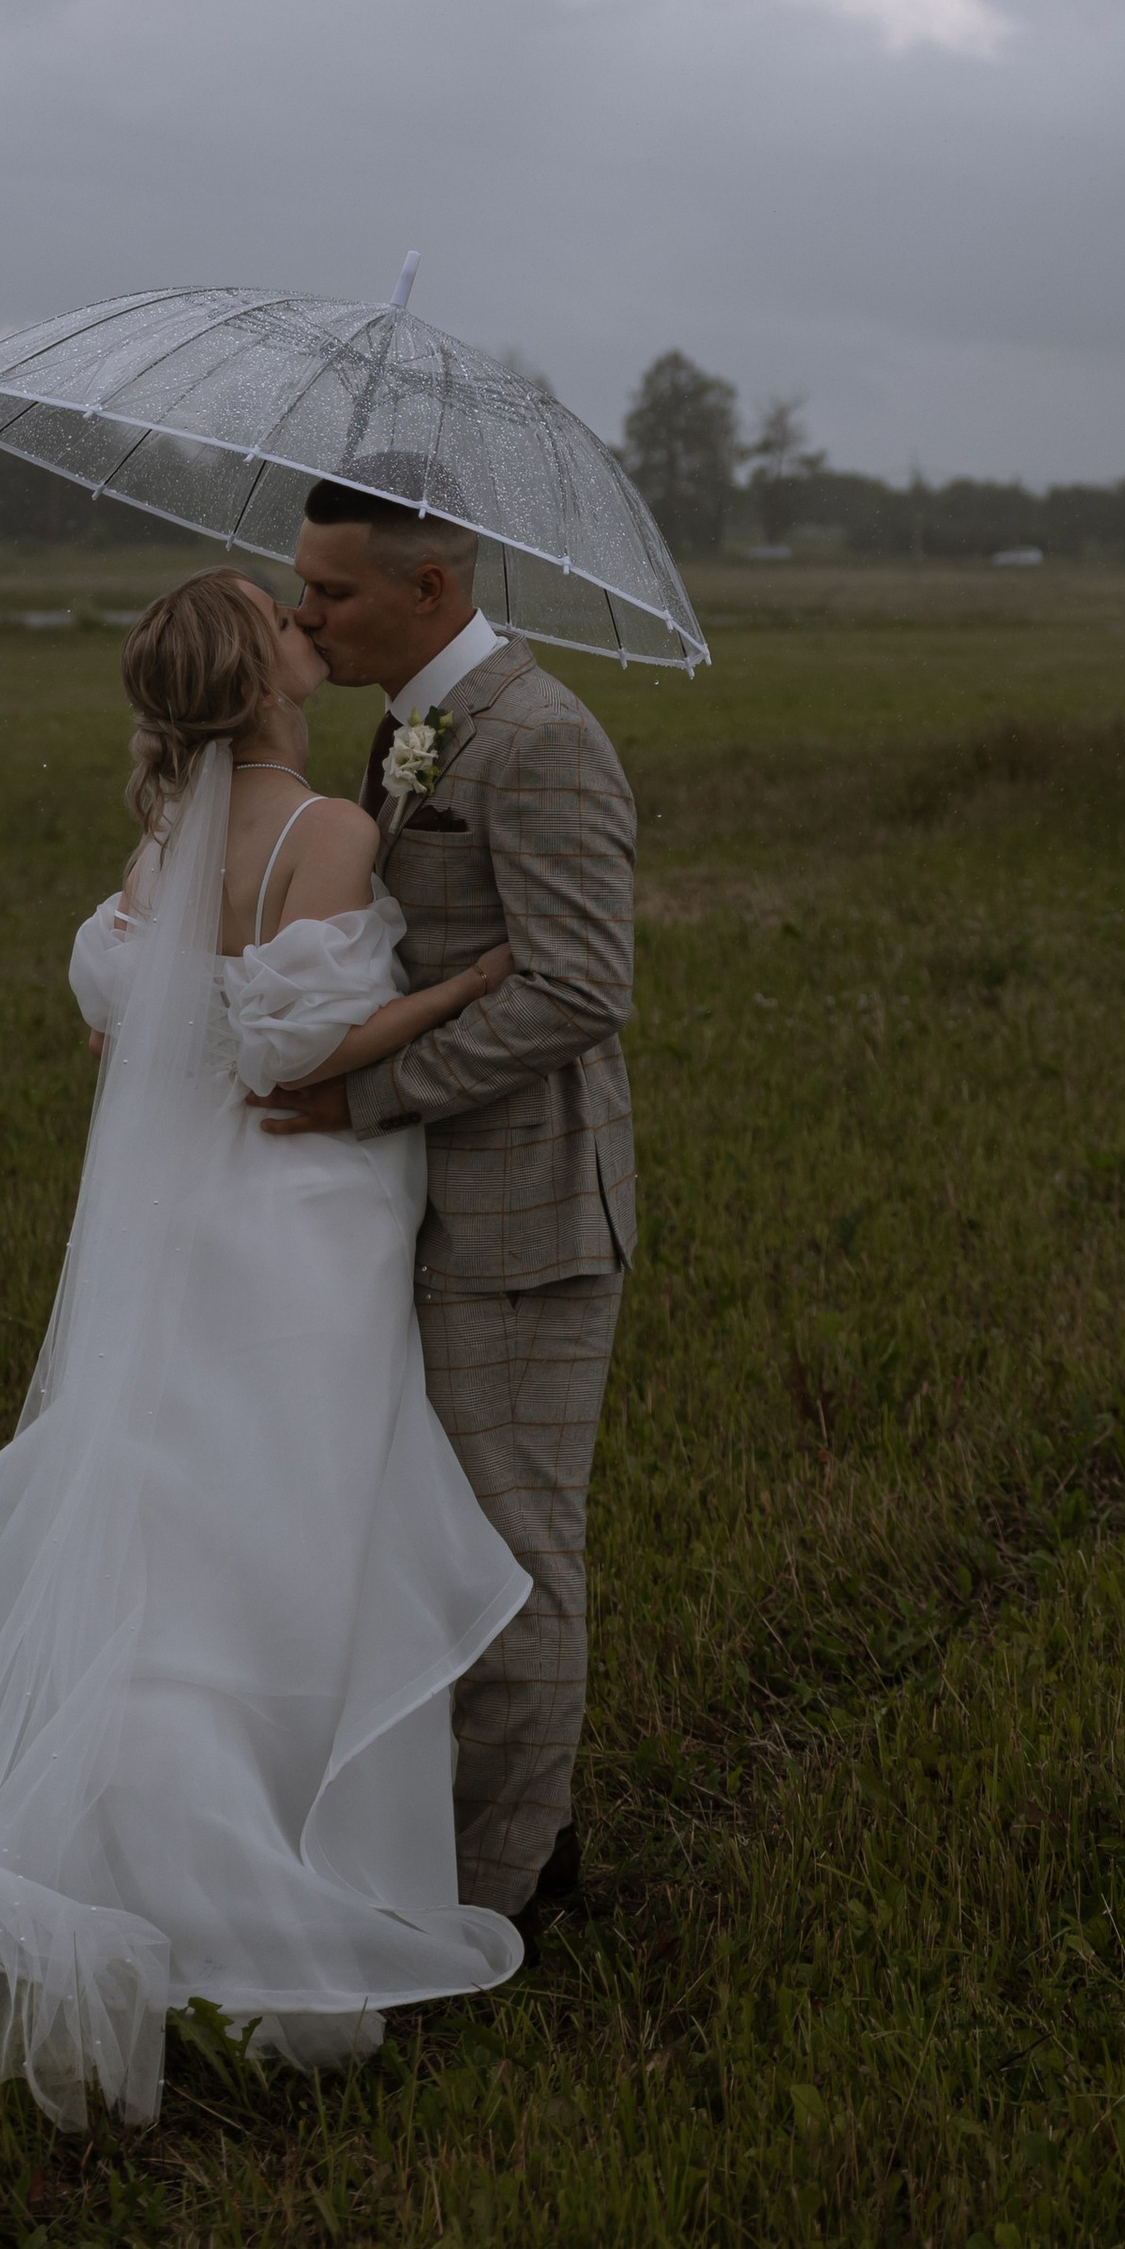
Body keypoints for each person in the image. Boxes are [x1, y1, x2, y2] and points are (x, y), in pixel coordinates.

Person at [0, 571, 531, 2131]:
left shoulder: (164, 841)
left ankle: (114, 1851)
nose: (309, 628)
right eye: (287, 622)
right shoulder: (325, 832)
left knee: (178, 1524)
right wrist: (461, 989)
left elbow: (125, 1028)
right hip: (302, 1220)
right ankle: (262, 1888)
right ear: (263, 677)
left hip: (187, 1220)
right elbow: (300, 1048)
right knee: (294, 1529)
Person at [271, 476, 636, 1941]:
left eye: (332, 593)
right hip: (412, 1212)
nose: (304, 616)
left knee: (508, 1560)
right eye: (301, 586)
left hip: (521, 1217)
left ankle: (510, 1891)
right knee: (425, 1546)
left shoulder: (540, 739)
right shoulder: (409, 723)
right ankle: (451, 1848)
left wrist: (365, 1098)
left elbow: (578, 987)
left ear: (432, 587)